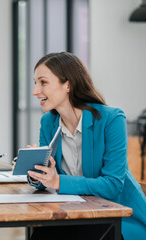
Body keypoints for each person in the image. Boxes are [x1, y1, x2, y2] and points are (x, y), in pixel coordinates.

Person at [28, 52, 146, 240]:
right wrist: (35, 170)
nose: (35, 91)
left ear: (68, 84)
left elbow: (113, 185)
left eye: (43, 82)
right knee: (41, 236)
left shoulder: (111, 119)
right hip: (75, 214)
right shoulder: (48, 123)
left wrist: (58, 181)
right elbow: (48, 180)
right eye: (35, 83)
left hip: (119, 216)